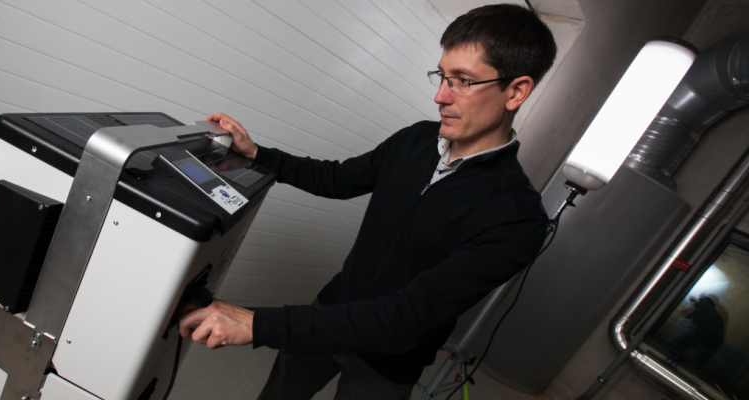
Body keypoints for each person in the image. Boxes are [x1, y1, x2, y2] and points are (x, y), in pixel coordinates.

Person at [178, 4, 557, 399]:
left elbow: (406, 315)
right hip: (328, 315)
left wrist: (257, 324)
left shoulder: (517, 219)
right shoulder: (417, 139)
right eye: (442, 76)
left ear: (515, 91)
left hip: (390, 360)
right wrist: (258, 154)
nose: (439, 96)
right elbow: (338, 178)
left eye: (462, 80)